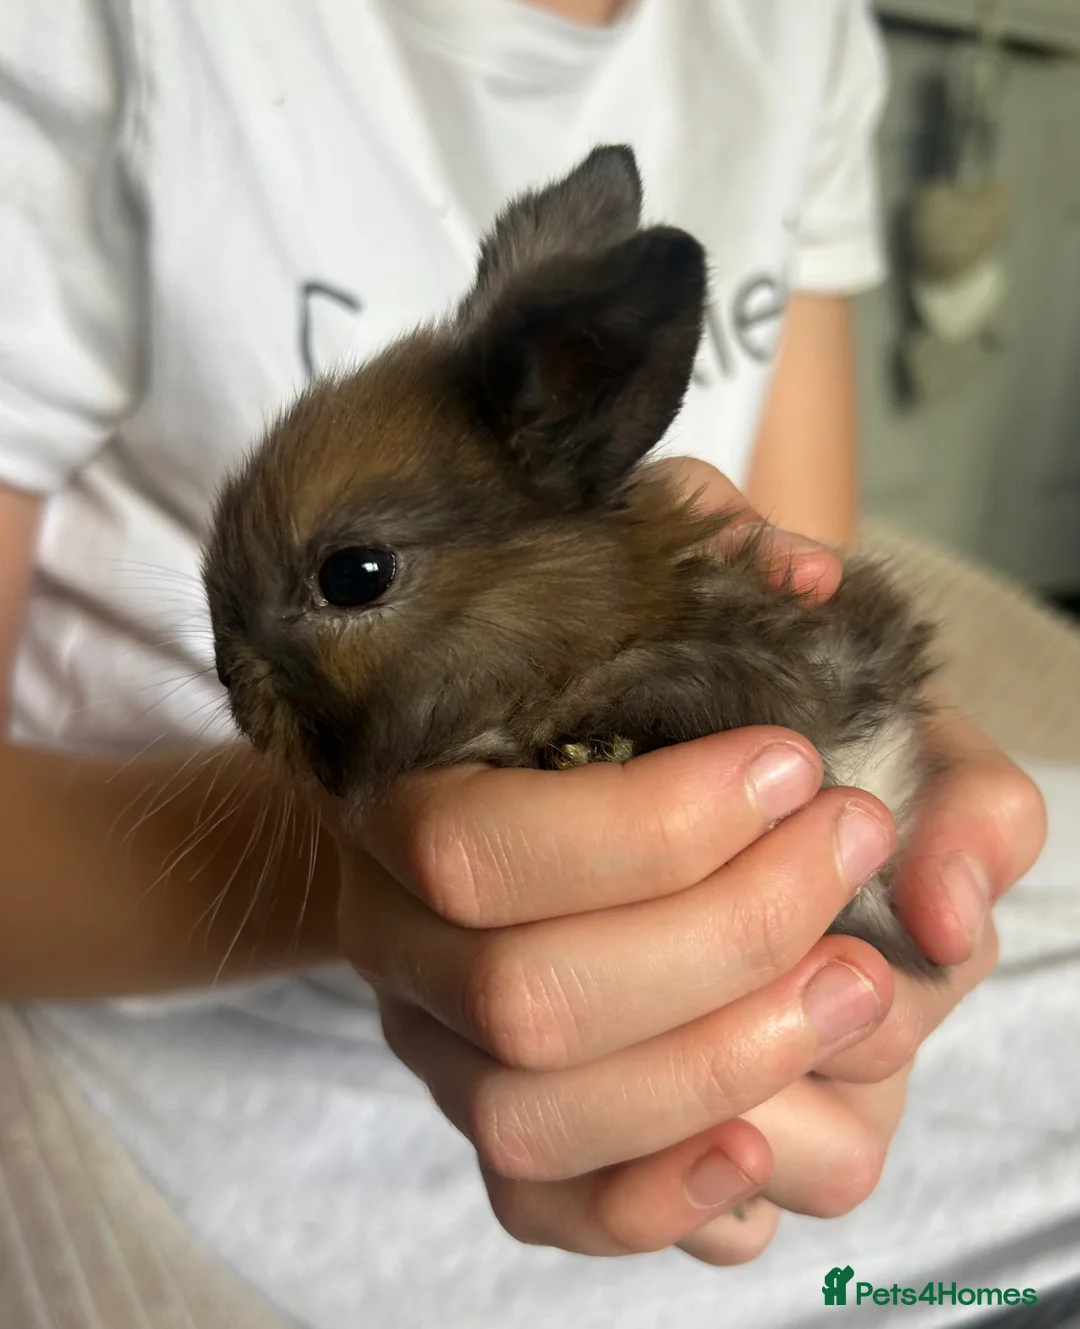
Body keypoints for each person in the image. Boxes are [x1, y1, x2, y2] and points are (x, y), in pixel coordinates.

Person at [1, 1, 1072, 1327]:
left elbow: (808, 565)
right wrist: (375, 871)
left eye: (352, 584)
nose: (240, 680)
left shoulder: (789, 29)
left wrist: (867, 878)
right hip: (227, 1054)